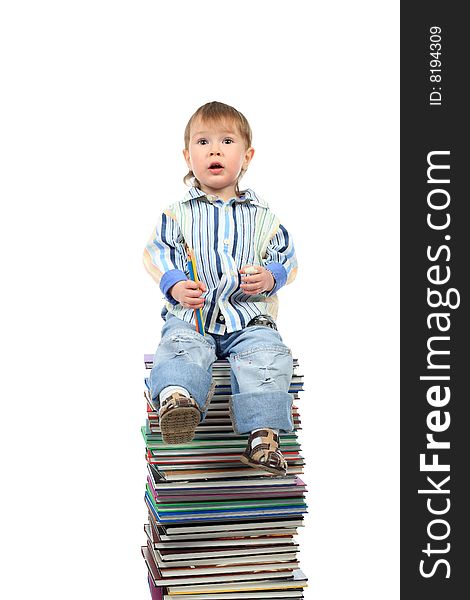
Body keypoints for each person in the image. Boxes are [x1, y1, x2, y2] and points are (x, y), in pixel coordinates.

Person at [143, 101, 297, 476]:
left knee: (267, 355)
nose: (214, 150)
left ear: (246, 156)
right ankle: (177, 400)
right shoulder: (177, 213)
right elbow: (156, 253)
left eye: (227, 141)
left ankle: (263, 436)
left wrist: (270, 275)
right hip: (192, 317)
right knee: (180, 346)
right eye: (203, 142)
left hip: (248, 317)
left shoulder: (263, 216)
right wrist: (176, 284)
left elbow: (287, 257)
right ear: (187, 156)